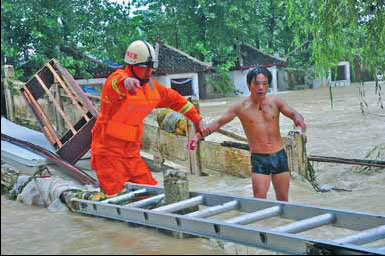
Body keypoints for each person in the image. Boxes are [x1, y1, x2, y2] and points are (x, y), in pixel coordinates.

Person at [91, 40, 206, 196]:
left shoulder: (151, 88)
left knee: (151, 191)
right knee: (116, 196)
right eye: (145, 67)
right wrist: (126, 81)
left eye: (151, 67)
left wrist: (197, 119)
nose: (149, 71)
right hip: (108, 153)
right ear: (131, 64)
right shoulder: (118, 80)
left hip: (132, 154)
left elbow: (177, 100)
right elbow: (114, 83)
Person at [188, 66, 306, 201]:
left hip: (279, 156)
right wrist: (197, 136)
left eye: (264, 83)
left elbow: (293, 112)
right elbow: (218, 123)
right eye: (256, 83)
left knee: (284, 200)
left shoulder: (276, 102)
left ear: (268, 85)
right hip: (259, 158)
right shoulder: (240, 107)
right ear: (249, 85)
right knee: (259, 200)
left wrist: (298, 119)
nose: (261, 87)